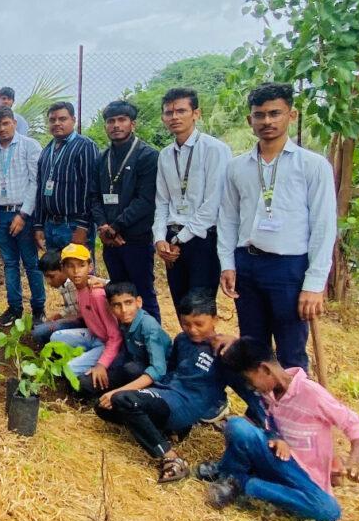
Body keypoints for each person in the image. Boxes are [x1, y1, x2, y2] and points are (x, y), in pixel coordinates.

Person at [217, 82, 336, 371]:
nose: (267, 121)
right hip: (248, 264)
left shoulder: (312, 165)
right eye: (260, 115)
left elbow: (323, 224)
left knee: (291, 349)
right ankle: (260, 412)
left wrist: (314, 283)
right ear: (250, 120)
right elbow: (228, 218)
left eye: (275, 113)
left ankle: (293, 413)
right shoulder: (237, 167)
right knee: (254, 347)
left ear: (291, 115)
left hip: (289, 267)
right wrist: (227, 264)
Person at [94, 289, 263, 484]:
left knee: (124, 400)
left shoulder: (224, 353)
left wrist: (262, 423)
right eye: (186, 324)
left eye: (199, 324)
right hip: (165, 395)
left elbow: (249, 392)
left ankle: (171, 457)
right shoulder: (182, 340)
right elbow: (170, 370)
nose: (192, 329)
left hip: (185, 405)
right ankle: (164, 431)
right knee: (102, 407)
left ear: (215, 320)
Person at [201, 337, 359, 521]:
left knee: (329, 511)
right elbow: (269, 426)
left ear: (265, 369)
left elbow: (358, 430)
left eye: (249, 380)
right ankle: (229, 475)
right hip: (277, 458)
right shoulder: (267, 394)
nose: (250, 387)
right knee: (237, 426)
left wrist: (354, 463)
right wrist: (276, 437)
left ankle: (245, 484)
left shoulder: (312, 394)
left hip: (304, 476)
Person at [153, 87, 231, 317]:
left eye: (181, 111)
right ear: (163, 117)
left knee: (201, 310)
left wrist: (180, 238)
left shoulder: (215, 150)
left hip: (202, 240)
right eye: (169, 112)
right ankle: (189, 352)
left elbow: (214, 203)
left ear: (196, 113)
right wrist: (159, 239)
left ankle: (205, 353)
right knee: (181, 308)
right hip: (172, 242)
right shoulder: (165, 155)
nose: (174, 117)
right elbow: (162, 201)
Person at [90, 100, 161, 321]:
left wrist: (115, 227)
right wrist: (103, 226)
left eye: (122, 120)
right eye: (111, 121)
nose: (116, 125)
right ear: (105, 126)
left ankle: (152, 346)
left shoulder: (147, 156)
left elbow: (146, 200)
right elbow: (94, 196)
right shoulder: (102, 158)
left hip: (136, 239)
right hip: (110, 241)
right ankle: (125, 343)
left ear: (133, 124)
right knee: (118, 295)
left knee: (142, 295)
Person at [0, 104, 43, 326]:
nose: (2, 129)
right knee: (9, 263)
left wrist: (24, 214)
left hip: (24, 214)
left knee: (31, 263)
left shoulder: (30, 146)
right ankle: (14, 308)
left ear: (14, 123)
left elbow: (36, 182)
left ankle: (38, 310)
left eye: (6, 124)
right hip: (2, 214)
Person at [49, 243, 124, 397]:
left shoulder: (97, 294)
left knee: (69, 369)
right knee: (55, 337)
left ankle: (100, 365)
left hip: (105, 342)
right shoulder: (79, 288)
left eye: (81, 265)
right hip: (93, 335)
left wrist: (101, 364)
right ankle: (86, 357)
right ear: (63, 269)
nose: (76, 271)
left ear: (90, 267)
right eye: (70, 266)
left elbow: (115, 336)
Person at [32, 101, 100, 256]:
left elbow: (91, 189)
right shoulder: (47, 150)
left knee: (78, 275)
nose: (57, 123)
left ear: (73, 120)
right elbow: (41, 188)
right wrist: (38, 225)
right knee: (56, 276)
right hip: (51, 226)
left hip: (73, 225)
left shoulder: (85, 146)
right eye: (52, 120)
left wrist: (83, 226)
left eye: (62, 119)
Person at [94, 281, 172, 413]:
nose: (124, 310)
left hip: (162, 376)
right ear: (110, 308)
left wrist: (118, 391)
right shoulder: (124, 322)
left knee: (130, 369)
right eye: (117, 305)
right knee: (89, 385)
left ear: (139, 302)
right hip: (139, 366)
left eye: (128, 303)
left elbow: (158, 370)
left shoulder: (148, 326)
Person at [31, 250, 89, 345]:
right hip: (77, 320)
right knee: (39, 329)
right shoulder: (64, 285)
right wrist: (59, 315)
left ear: (63, 269)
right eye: (46, 277)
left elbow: (84, 313)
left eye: (51, 276)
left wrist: (63, 320)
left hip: (85, 323)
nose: (48, 281)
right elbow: (71, 307)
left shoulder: (76, 284)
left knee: (39, 332)